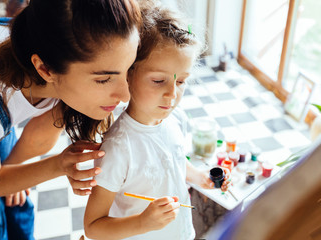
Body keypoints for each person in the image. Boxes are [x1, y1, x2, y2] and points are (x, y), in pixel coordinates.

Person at [0, 0, 141, 239]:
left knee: (17, 202)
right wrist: (58, 165)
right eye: (103, 79)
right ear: (45, 69)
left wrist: (12, 171)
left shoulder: (51, 42)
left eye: (128, 69)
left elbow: (40, 134)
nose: (125, 95)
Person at [83, 1, 230, 239]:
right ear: (129, 74)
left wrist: (200, 178)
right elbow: (93, 227)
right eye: (159, 80)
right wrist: (143, 222)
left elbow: (172, 162)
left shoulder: (175, 119)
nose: (172, 94)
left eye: (180, 81)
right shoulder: (118, 148)